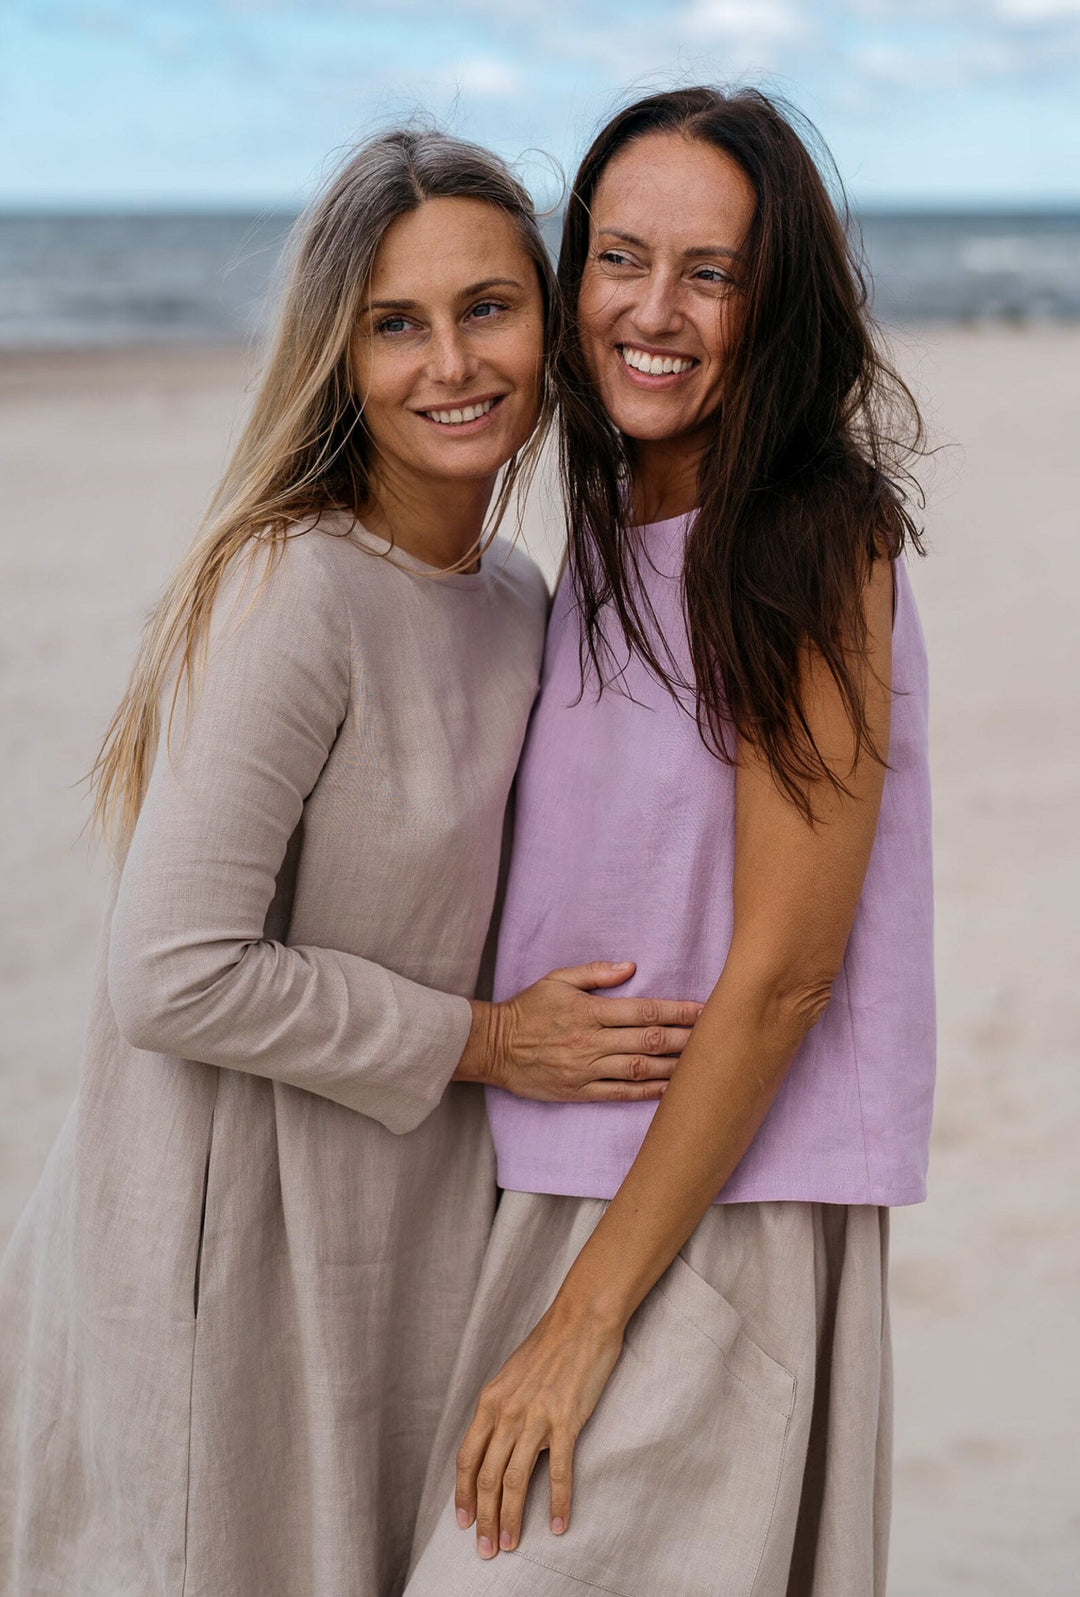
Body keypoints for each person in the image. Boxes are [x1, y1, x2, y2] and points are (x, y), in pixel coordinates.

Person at [0, 128, 700, 1597]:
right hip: (217, 1235)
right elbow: (170, 971)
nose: (449, 361)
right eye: (396, 323)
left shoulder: (518, 599)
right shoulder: (296, 588)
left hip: (390, 1234)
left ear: (552, 321)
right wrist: (496, 1041)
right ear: (342, 352)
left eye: (486, 307)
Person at [406, 87, 933, 1597]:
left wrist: (587, 1319)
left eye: (710, 272)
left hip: (707, 1229)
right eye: (620, 258)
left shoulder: (810, 532)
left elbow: (784, 970)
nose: (654, 310)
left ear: (777, 306)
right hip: (560, 1195)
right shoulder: (616, 526)